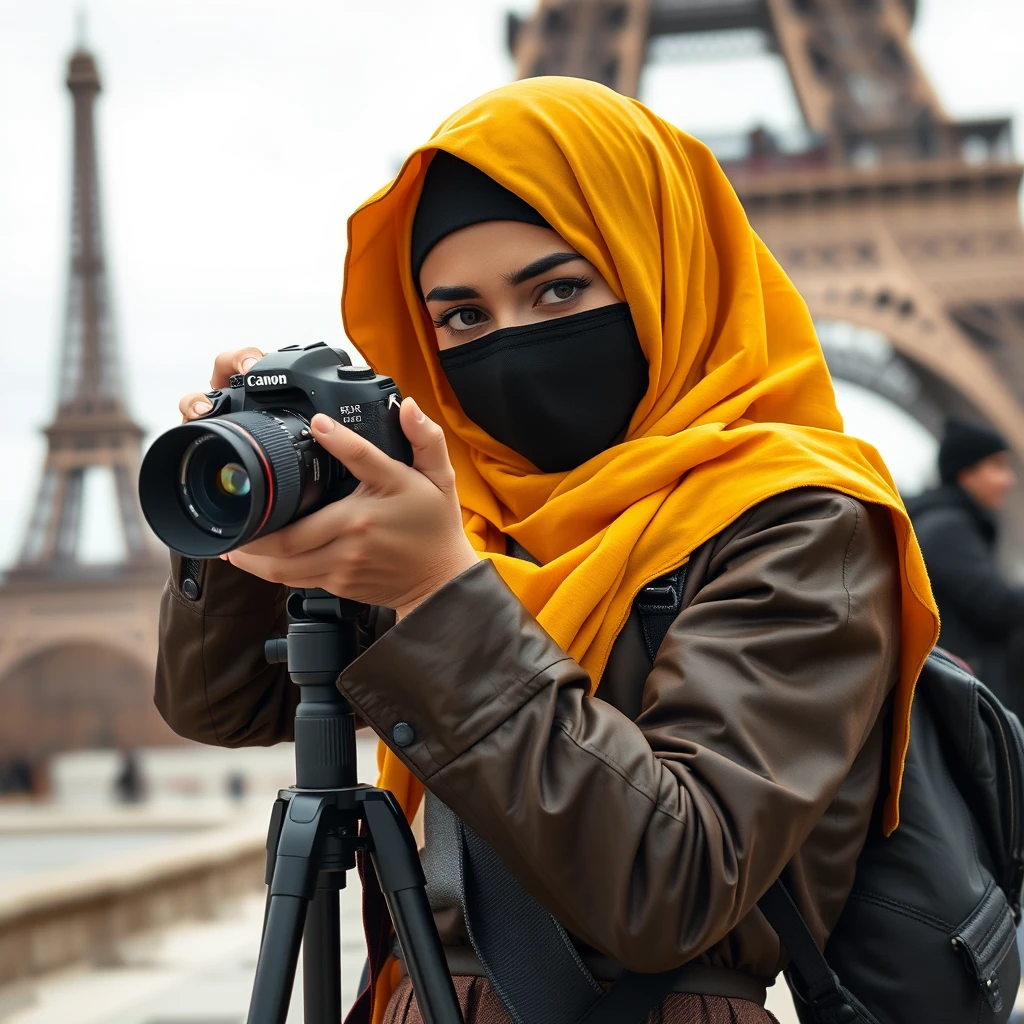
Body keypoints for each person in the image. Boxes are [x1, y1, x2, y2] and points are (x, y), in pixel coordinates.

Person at [156, 77, 939, 1024]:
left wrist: (442, 594)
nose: (512, 342)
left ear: (661, 270)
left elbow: (673, 881)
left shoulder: (800, 521)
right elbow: (225, 705)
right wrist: (241, 526)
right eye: (462, 318)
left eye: (559, 289)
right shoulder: (461, 510)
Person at [908, 417, 1024, 713]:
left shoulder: (948, 523)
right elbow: (997, 607)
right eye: (997, 467)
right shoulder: (948, 528)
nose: (1009, 480)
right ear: (966, 474)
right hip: (962, 698)